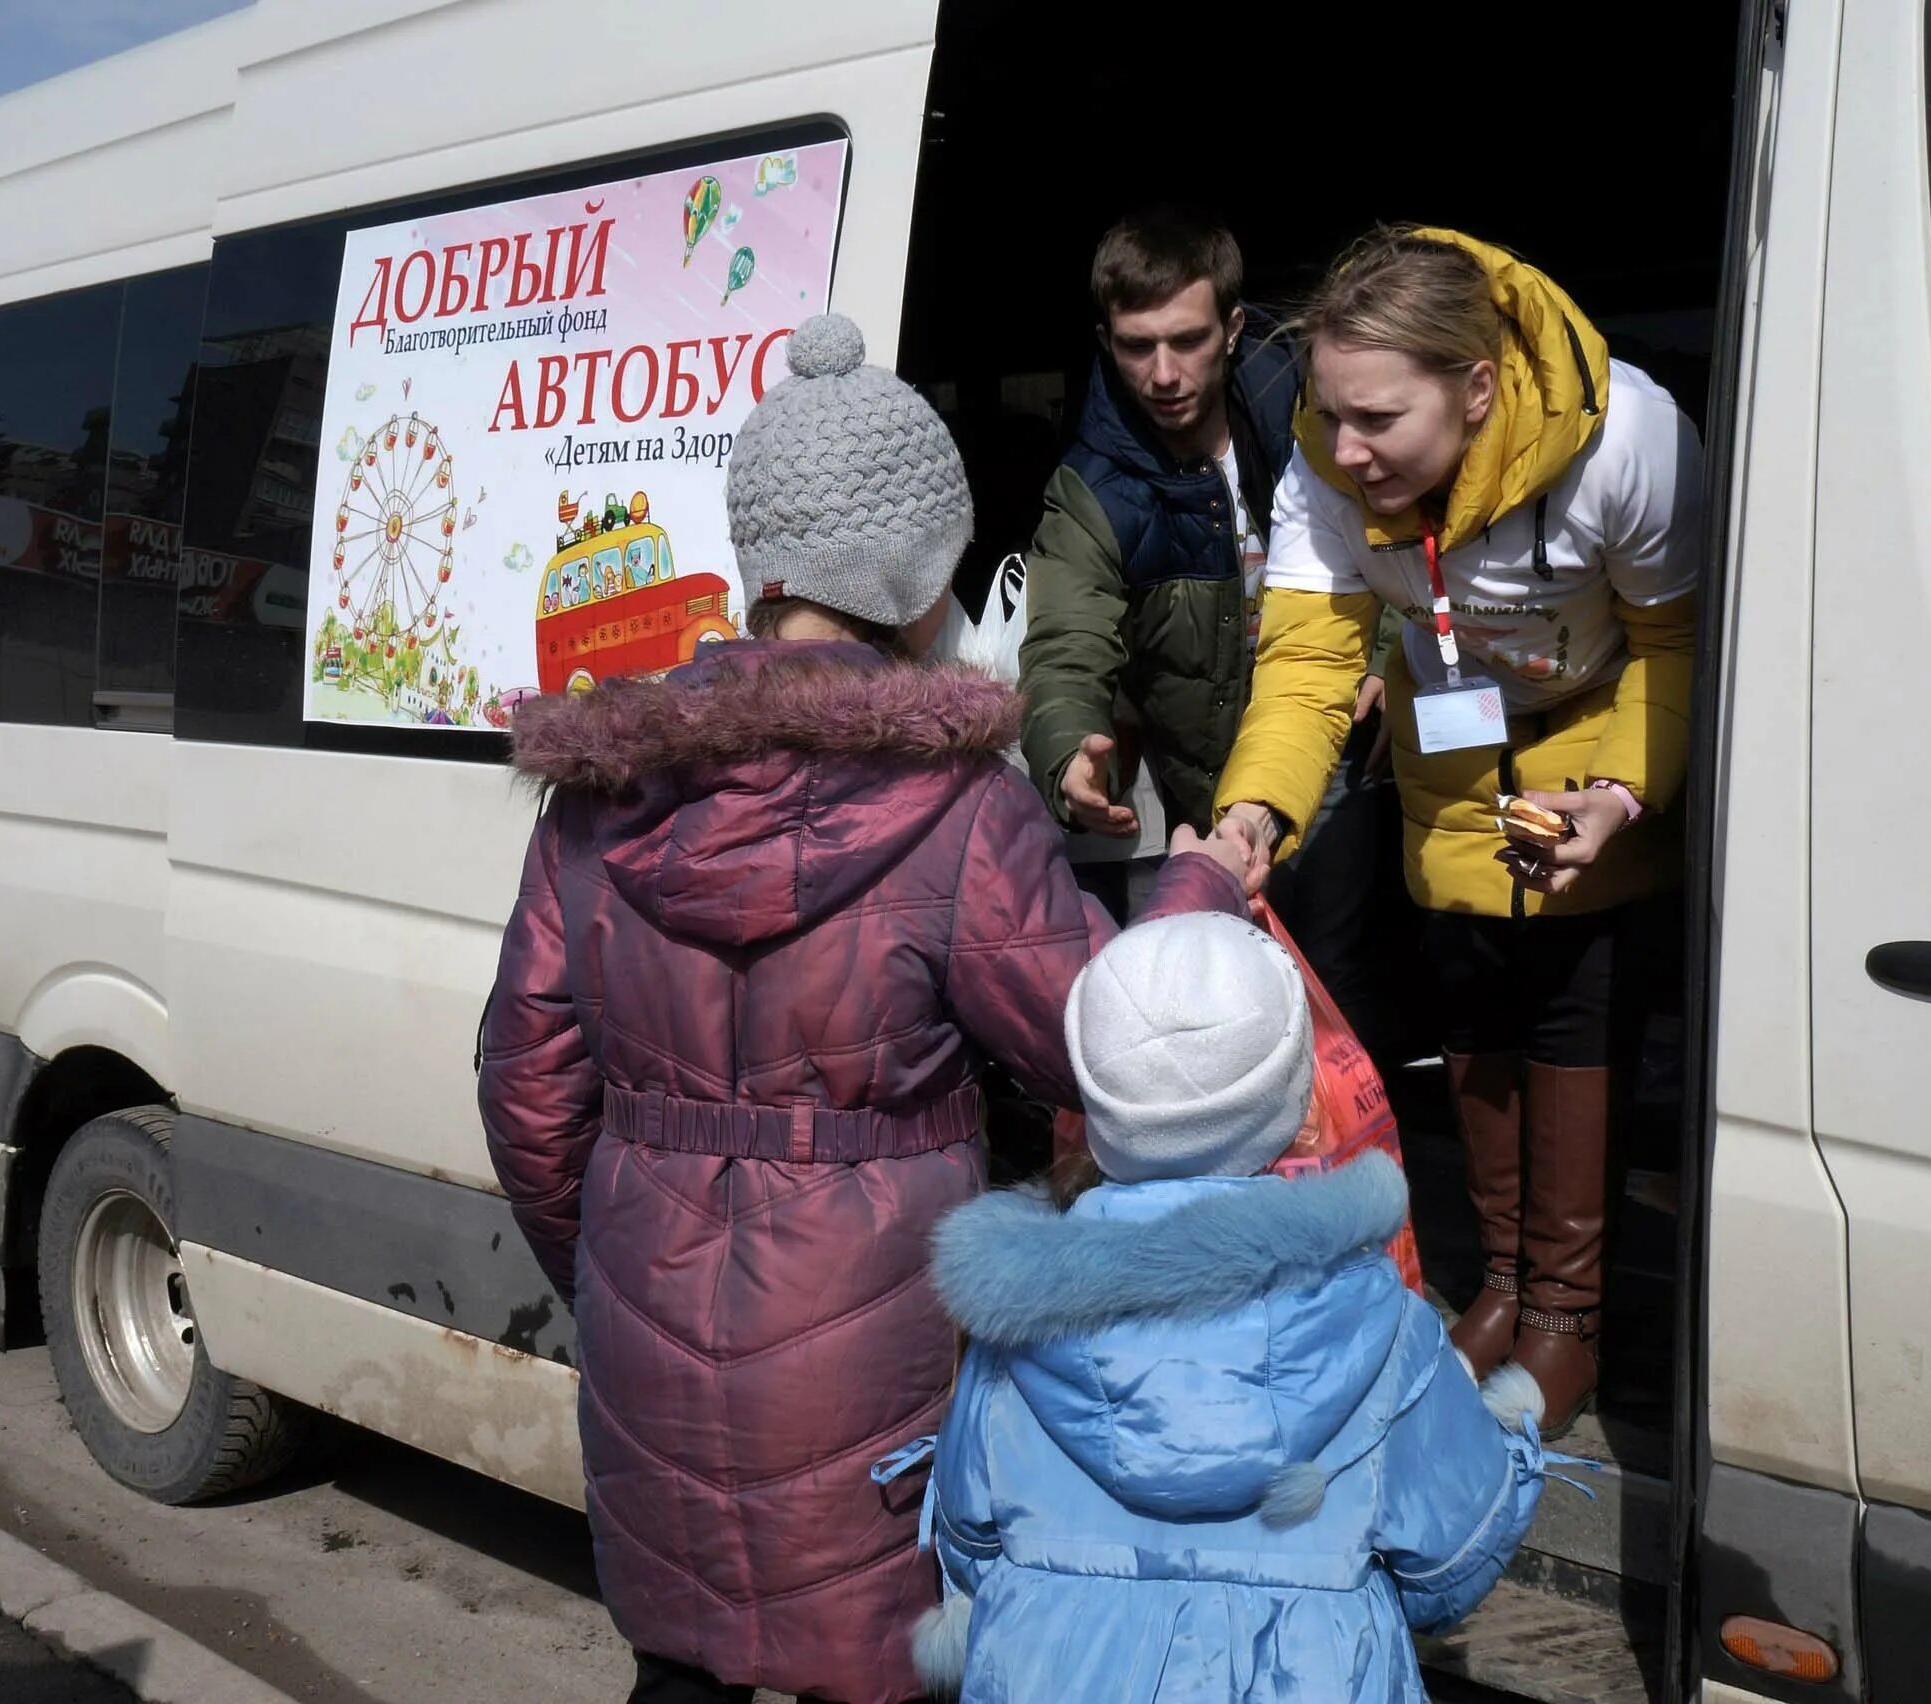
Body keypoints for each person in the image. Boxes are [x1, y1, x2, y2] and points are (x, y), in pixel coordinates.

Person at [475, 313, 1249, 1704]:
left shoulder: (594, 801)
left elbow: (528, 1096)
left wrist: (611, 1266)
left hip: (647, 1329)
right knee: (875, 1679)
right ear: (916, 579)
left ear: (762, 564)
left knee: (679, 1678)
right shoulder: (956, 806)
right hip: (877, 1356)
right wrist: (1195, 895)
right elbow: (1118, 1048)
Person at [1214, 227, 1700, 1436]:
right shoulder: (1329, 468)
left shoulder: (1626, 444)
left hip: (1600, 719)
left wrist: (1626, 795)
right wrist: (1251, 809)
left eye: (1378, 418)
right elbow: (1312, 659)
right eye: (1329, 413)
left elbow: (1676, 647)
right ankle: (1504, 1285)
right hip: (1448, 724)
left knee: (1572, 999)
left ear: (1477, 390)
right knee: (1471, 993)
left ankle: (1570, 1319)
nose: (1344, 448)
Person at [910, 911, 1546, 1703]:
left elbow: (969, 1540)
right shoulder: (1382, 1329)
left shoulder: (1015, 1327)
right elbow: (1452, 1563)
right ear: (1289, 1103)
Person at [1017, 208, 1414, 1069]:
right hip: (1206, 782)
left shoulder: (1322, 422)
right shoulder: (1092, 487)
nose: (1163, 373)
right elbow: (1063, 641)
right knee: (1233, 1000)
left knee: (1337, 978)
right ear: (1105, 340)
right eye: (1135, 346)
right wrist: (1062, 750)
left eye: (1187, 340)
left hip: (1338, 751)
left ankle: (1359, 1172)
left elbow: (1410, 534)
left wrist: (1387, 659)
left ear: (1232, 328)